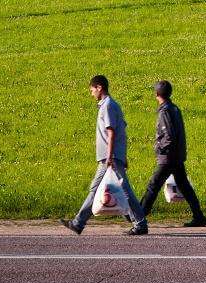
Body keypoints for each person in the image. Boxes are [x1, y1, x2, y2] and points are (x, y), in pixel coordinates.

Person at [61, 75, 149, 235]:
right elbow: (121, 131)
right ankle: (78, 223)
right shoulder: (111, 105)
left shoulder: (108, 106)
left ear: (99, 87)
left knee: (122, 190)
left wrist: (110, 156)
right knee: (98, 189)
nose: (92, 93)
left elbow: (111, 132)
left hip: (110, 158)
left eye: (92, 90)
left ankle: (140, 223)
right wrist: (121, 155)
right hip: (111, 156)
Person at [138, 80, 206, 227]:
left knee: (153, 185)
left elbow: (168, 136)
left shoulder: (165, 111)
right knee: (184, 186)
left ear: (157, 94)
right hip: (177, 155)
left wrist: (159, 148)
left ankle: (139, 217)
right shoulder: (174, 108)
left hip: (168, 157)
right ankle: (199, 216)